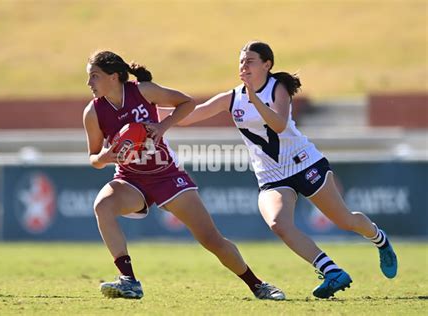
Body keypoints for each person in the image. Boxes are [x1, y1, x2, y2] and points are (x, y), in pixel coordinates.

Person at [162, 41, 398, 299]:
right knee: (278, 224)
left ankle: (379, 239)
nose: (243, 66)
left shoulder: (278, 87)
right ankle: (331, 271)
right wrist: (146, 110)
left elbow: (279, 125)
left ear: (267, 64)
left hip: (304, 163)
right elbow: (187, 117)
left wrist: (254, 99)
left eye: (249, 61)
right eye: (241, 61)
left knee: (344, 220)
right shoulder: (233, 97)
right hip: (271, 176)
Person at [82, 50, 285, 300]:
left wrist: (162, 126)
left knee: (211, 239)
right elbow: (93, 157)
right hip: (130, 179)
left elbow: (186, 102)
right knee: (102, 205)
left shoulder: (143, 91)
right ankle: (129, 280)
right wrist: (102, 158)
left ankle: (258, 285)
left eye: (94, 76)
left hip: (166, 175)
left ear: (113, 77)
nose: (89, 83)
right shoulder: (92, 112)